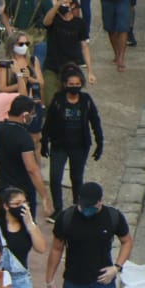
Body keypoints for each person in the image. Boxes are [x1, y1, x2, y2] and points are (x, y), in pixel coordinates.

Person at [45, 182, 133, 288]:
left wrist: (116, 267)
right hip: (75, 285)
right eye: (83, 205)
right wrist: (49, 279)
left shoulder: (113, 217)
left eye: (91, 206)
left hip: (103, 284)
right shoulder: (66, 218)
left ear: (100, 202)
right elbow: (56, 248)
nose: (86, 210)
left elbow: (127, 241)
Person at [41, 66, 103, 215]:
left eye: (77, 84)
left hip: (79, 146)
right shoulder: (58, 100)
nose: (74, 87)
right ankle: (58, 208)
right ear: (64, 84)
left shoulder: (86, 101)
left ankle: (77, 206)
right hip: (59, 145)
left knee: (76, 178)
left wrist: (99, 142)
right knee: (55, 177)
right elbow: (49, 122)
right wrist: (44, 142)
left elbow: (95, 121)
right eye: (71, 84)